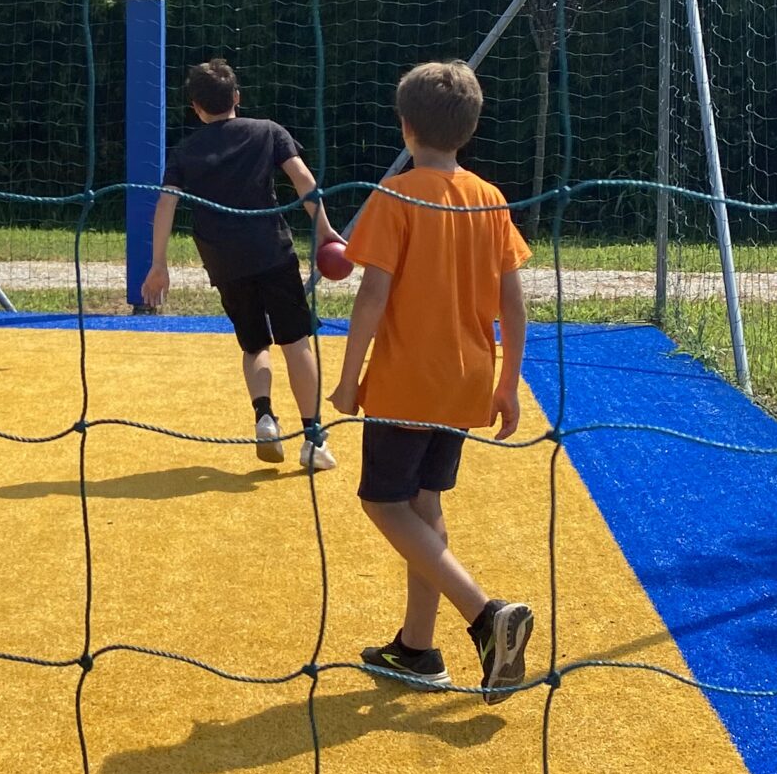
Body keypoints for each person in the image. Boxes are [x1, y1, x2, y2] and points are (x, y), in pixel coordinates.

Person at [330, 59, 533, 696]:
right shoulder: (490, 199)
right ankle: (417, 649)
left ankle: (486, 614)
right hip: (467, 381)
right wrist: (508, 382)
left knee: (381, 502)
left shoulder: (396, 196)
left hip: (408, 381)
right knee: (424, 505)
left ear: (405, 127)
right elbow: (514, 304)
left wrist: (347, 378)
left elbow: (372, 297)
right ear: (468, 130)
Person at [141, 58, 338, 471]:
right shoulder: (268, 131)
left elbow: (165, 203)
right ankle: (313, 437)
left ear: (196, 107)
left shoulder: (185, 150)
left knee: (254, 344)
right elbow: (302, 179)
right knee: (296, 341)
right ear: (236, 96)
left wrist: (159, 264)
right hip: (271, 251)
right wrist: (324, 229)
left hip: (224, 260)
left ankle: (265, 416)